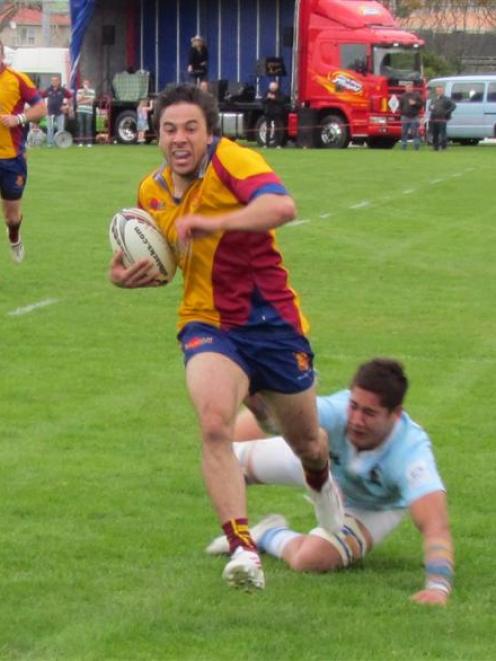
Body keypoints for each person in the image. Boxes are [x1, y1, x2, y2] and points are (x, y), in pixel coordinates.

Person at [108, 84, 343, 590]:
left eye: (191, 127)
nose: (179, 138)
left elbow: (282, 207)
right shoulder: (150, 191)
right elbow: (166, 261)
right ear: (157, 134)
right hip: (207, 322)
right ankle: (243, 551)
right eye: (170, 129)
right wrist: (124, 274)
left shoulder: (233, 161)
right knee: (215, 424)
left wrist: (213, 222)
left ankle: (322, 483)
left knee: (305, 442)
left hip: (272, 324)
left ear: (209, 131)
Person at [207, 358, 455, 606]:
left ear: (396, 414)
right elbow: (277, 419)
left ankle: (267, 534)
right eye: (354, 406)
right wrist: (239, 428)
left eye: (369, 413)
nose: (357, 419)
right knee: (225, 469)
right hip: (317, 464)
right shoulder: (335, 411)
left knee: (309, 560)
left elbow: (436, 526)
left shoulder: (411, 456)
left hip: (373, 506)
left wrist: (437, 587)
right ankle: (241, 536)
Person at [0, 39, 46, 263]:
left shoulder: (17, 79)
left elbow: (40, 108)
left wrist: (18, 118)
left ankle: (14, 236)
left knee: (11, 216)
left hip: (12, 160)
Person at [41, 75, 73, 147]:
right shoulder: (48, 89)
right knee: (50, 128)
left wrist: (67, 106)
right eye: (52, 81)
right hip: (50, 111)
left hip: (60, 112)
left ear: (58, 82)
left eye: (55, 81)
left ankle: (60, 143)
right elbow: (41, 96)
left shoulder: (62, 90)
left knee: (60, 128)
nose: (53, 82)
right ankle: (50, 143)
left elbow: (70, 97)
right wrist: (43, 106)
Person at [429, 85, 457, 151]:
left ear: (443, 91)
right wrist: (431, 109)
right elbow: (430, 107)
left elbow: (453, 106)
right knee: (435, 134)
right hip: (434, 119)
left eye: (440, 90)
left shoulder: (446, 99)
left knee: (443, 134)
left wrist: (446, 112)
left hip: (442, 119)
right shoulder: (434, 99)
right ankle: (435, 147)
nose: (439, 91)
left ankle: (444, 147)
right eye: (437, 90)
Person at [399, 82, 423, 151]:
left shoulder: (416, 95)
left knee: (415, 132)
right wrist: (402, 114)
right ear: (405, 88)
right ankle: (404, 146)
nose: (408, 89)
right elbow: (400, 106)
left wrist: (415, 103)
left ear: (412, 88)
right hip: (405, 117)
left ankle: (416, 146)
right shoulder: (403, 96)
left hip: (414, 117)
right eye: (407, 87)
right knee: (404, 132)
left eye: (410, 87)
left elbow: (421, 104)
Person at [262, 81, 286, 148]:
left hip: (276, 113)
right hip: (268, 112)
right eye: (271, 87)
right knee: (268, 128)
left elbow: (282, 101)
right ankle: (266, 144)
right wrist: (267, 98)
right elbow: (262, 100)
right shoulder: (267, 92)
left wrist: (274, 98)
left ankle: (277, 144)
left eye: (273, 87)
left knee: (277, 128)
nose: (272, 88)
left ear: (276, 87)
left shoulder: (280, 93)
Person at [76, 79, 96, 147]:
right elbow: (78, 101)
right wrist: (84, 93)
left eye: (87, 83)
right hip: (80, 111)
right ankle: (80, 142)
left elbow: (91, 102)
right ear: (82, 84)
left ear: (89, 84)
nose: (86, 85)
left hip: (89, 111)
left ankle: (89, 142)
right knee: (80, 127)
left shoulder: (92, 91)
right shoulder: (79, 91)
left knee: (88, 127)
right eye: (84, 83)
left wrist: (82, 101)